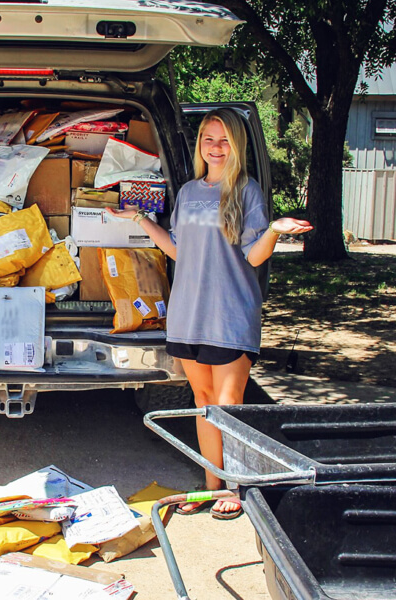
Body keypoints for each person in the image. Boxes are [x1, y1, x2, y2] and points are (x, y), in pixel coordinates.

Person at [110, 108, 312, 520]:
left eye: (223, 141)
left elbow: (253, 255)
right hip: (189, 311)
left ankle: (236, 488)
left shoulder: (246, 191)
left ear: (235, 145)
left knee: (228, 402)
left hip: (230, 311)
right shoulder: (187, 193)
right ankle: (210, 485)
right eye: (208, 140)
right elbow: (179, 250)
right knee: (203, 401)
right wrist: (141, 219)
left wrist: (273, 230)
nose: (215, 148)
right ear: (200, 143)